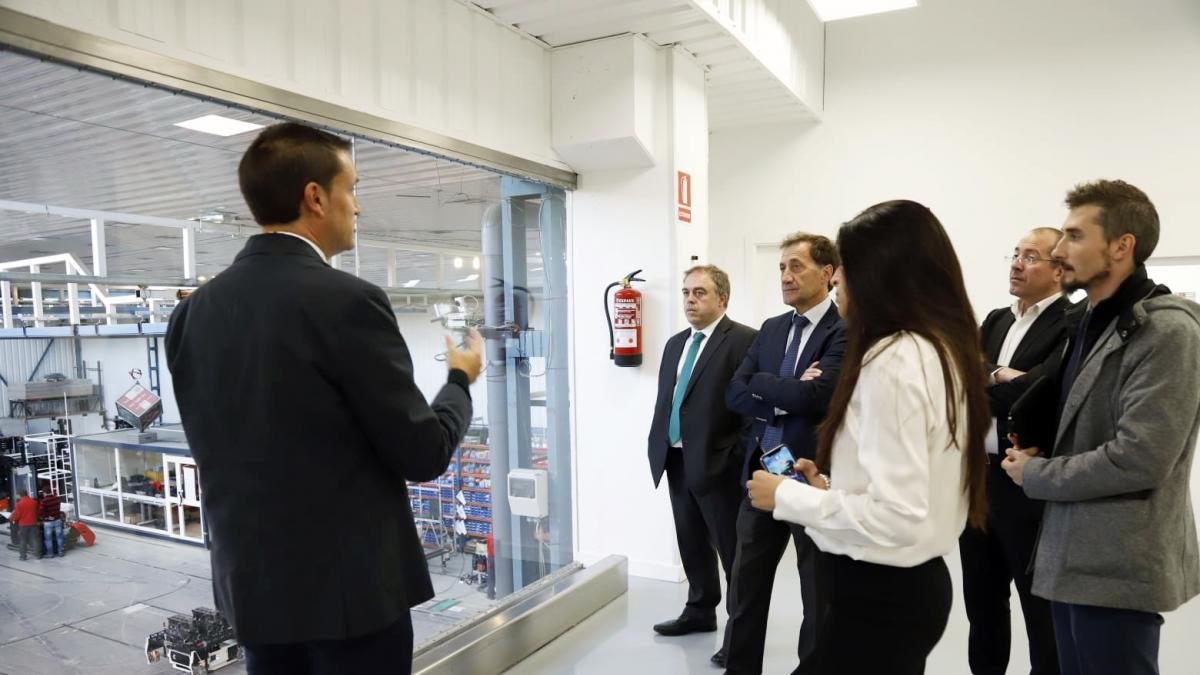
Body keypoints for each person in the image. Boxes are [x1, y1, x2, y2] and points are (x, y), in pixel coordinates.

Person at [165, 122, 484, 675]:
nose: (357, 208)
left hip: (255, 596)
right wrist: (459, 381)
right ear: (315, 196)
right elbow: (424, 453)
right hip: (349, 601)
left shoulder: (191, 315)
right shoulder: (347, 301)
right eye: (352, 189)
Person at [748, 200, 990, 675]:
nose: (837, 282)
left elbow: (897, 515)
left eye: (847, 270)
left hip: (881, 599)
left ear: (882, 276)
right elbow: (905, 486)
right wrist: (831, 490)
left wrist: (790, 497)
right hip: (905, 588)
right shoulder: (939, 349)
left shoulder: (893, 363)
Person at [1002, 180, 1200, 675]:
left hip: (1116, 567)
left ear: (1121, 245)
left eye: (1073, 236)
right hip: (1069, 558)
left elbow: (1140, 457)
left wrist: (1036, 474)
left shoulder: (1167, 331)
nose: (1059, 250)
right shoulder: (1093, 321)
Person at [721, 233, 846, 675]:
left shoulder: (844, 330)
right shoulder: (772, 328)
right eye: (781, 268)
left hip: (813, 479)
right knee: (745, 588)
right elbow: (735, 391)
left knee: (818, 594)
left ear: (827, 274)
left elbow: (820, 395)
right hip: (762, 472)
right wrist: (786, 392)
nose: (786, 276)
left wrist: (770, 384)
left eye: (796, 266)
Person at [960, 228, 1071, 675]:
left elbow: (1041, 393)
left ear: (1059, 271)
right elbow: (965, 379)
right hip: (979, 483)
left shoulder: (1070, 323)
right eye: (1016, 254)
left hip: (1027, 484)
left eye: (1031, 257)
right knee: (981, 604)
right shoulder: (996, 319)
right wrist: (1002, 375)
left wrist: (991, 378)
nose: (1017, 263)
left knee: (1039, 608)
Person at [647, 265, 757, 641]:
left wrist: (734, 458)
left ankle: (738, 633)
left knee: (733, 554)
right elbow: (670, 399)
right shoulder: (676, 343)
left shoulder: (744, 341)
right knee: (691, 542)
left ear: (722, 298)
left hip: (720, 464)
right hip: (676, 458)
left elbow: (751, 412)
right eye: (686, 293)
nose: (690, 300)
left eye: (700, 293)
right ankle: (699, 610)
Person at [10, 489, 39, 561]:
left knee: (23, 541)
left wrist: (12, 517)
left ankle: (23, 557)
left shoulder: (19, 504)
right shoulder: (34, 502)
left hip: (23, 525)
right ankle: (38, 555)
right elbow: (37, 512)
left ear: (20, 495)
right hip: (33, 523)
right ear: (27, 494)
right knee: (35, 539)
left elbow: (17, 516)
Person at [39, 488, 65, 558]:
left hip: (48, 523)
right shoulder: (57, 498)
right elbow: (58, 508)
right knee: (59, 537)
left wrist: (47, 517)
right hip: (57, 520)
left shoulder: (44, 501)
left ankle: (50, 554)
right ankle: (61, 552)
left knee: (48, 539)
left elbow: (41, 513)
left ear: (44, 493)